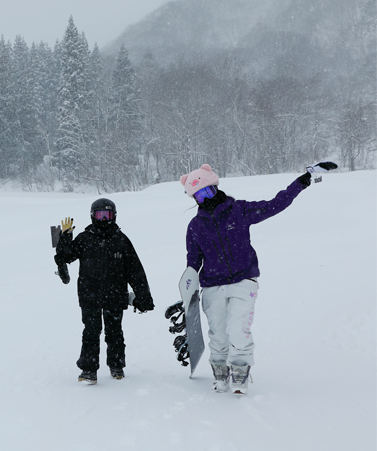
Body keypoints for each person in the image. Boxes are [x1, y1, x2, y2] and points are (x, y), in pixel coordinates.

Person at [180, 163, 323, 395]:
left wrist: (302, 181)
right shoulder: (195, 226)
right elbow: (193, 261)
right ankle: (220, 371)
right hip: (212, 286)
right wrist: (187, 288)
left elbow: (276, 204)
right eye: (198, 195)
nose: (205, 199)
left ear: (215, 187)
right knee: (218, 333)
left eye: (207, 191)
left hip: (243, 280)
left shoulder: (239, 210)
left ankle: (240, 370)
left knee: (238, 330)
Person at [54, 198, 155, 384]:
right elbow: (65, 257)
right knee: (91, 332)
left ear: (114, 216)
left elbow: (135, 271)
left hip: (115, 295)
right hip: (89, 295)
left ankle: (116, 366)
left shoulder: (121, 240)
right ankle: (88, 370)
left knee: (115, 332)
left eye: (106, 215)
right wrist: (65, 238)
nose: (103, 219)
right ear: (92, 216)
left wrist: (144, 296)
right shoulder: (84, 238)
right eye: (100, 215)